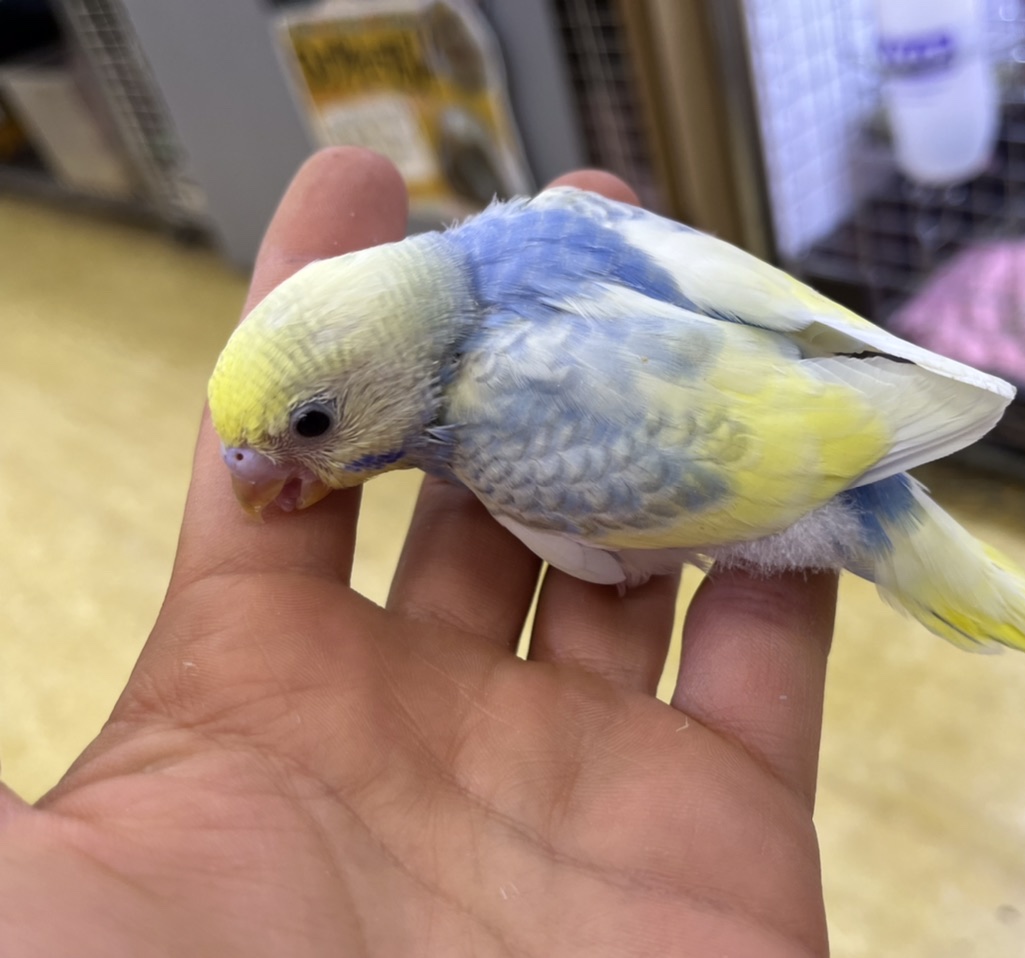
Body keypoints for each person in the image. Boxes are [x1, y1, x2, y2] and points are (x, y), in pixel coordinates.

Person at [0, 148, 835, 957]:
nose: (254, 481)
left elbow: (623, 558)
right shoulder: (540, 226)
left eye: (313, 424)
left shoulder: (511, 409)